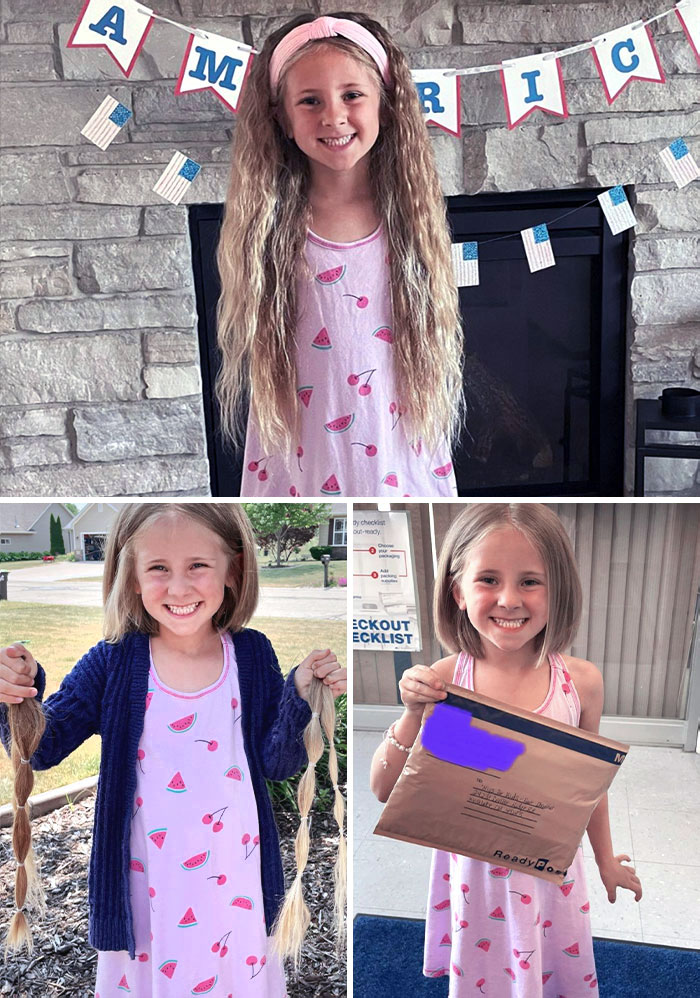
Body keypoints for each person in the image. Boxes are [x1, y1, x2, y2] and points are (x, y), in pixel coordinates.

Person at [0, 503, 347, 997]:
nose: (179, 588)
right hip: (147, 890)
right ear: (132, 577)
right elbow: (43, 748)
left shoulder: (250, 655)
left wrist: (300, 695)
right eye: (158, 567)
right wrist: (18, 693)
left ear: (233, 571)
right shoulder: (112, 662)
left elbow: (277, 761)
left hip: (235, 885)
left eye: (197, 565)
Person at [369, 503, 642, 997]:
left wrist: (605, 858)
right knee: (484, 977)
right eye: (488, 579)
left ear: (557, 590)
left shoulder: (580, 682)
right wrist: (411, 713)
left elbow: (589, 786)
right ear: (458, 591)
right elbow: (384, 789)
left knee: (548, 973)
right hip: (475, 878)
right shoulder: (445, 681)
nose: (509, 600)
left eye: (530, 581)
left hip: (550, 876)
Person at [216, 12, 464, 498]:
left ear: (385, 105)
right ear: (282, 119)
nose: (333, 116)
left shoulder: (410, 218)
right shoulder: (268, 225)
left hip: (396, 443)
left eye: (352, 95)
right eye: (310, 101)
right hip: (303, 447)